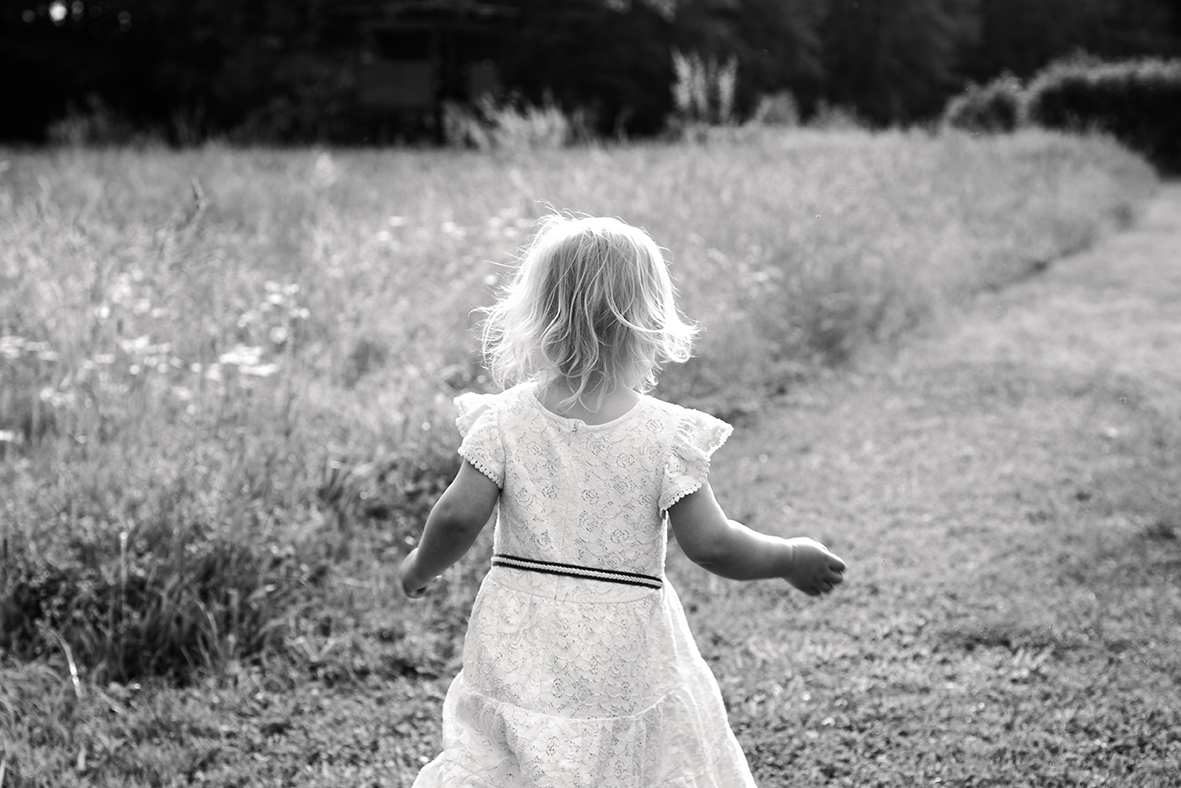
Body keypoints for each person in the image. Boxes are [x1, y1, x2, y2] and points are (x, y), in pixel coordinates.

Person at [399, 215, 847, 787]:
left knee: (517, 749)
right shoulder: (666, 436)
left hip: (520, 634)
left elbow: (459, 517)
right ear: (649, 323)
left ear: (537, 316)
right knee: (626, 756)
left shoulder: (504, 418)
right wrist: (786, 556)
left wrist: (418, 568)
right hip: (625, 640)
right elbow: (711, 544)